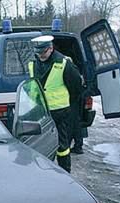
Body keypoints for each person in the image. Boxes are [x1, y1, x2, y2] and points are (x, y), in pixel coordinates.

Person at [29, 35, 82, 173]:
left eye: (43, 52)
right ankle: (44, 171)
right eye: (38, 52)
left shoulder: (64, 63)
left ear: (51, 48)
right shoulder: (32, 63)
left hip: (59, 112)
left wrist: (66, 101)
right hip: (40, 110)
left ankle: (65, 172)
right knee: (42, 143)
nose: (40, 55)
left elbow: (76, 86)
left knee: (62, 146)